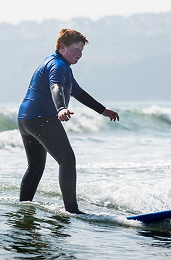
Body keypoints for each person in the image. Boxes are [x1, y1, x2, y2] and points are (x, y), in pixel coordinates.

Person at [17, 29, 119, 214]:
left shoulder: (56, 63)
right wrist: (61, 108)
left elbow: (78, 93)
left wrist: (103, 110)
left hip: (26, 120)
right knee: (67, 161)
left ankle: (23, 207)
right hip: (42, 118)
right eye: (76, 49)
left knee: (35, 167)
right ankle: (72, 210)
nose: (79, 54)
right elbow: (56, 87)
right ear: (62, 47)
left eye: (82, 50)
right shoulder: (59, 66)